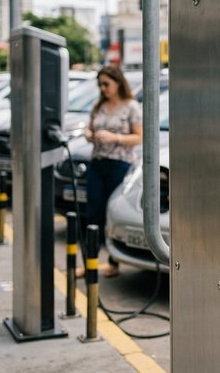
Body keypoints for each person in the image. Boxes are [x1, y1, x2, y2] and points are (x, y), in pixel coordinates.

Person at [76, 65, 143, 279]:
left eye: (107, 84)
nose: (103, 89)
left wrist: (116, 138)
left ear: (117, 82)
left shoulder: (131, 106)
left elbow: (139, 136)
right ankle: (90, 263)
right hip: (97, 163)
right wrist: (89, 135)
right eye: (100, 85)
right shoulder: (99, 106)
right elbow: (89, 128)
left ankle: (114, 263)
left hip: (120, 164)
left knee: (112, 213)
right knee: (93, 214)